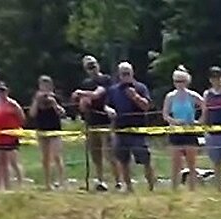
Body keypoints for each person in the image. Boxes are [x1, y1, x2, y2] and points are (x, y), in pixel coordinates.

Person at [105, 61, 156, 191]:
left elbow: (147, 106)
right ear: (119, 75)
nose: (126, 76)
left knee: (145, 160)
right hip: (120, 130)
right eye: (123, 74)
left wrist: (136, 97)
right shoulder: (113, 90)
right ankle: (129, 188)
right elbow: (107, 105)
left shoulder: (140, 88)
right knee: (123, 161)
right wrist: (108, 110)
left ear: (132, 73)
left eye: (128, 73)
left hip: (138, 131)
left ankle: (151, 187)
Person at [71, 55, 114, 191]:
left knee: (109, 153)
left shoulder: (105, 79)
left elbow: (97, 94)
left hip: (105, 121)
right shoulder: (86, 83)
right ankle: (100, 180)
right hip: (91, 121)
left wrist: (81, 93)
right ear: (85, 69)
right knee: (95, 154)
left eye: (93, 65)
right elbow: (84, 104)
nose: (92, 68)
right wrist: (80, 102)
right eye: (89, 67)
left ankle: (119, 180)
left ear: (98, 65)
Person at [162, 66, 204, 190]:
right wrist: (174, 121)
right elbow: (165, 114)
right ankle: (174, 189)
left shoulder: (192, 96)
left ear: (186, 82)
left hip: (190, 131)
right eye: (176, 81)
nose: (179, 84)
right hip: (175, 131)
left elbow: (205, 107)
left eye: (181, 81)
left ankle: (192, 189)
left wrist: (199, 122)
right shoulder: (170, 96)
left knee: (191, 164)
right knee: (176, 164)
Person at [30, 75, 68, 190]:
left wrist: (54, 104)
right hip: (42, 130)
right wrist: (36, 101)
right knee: (45, 157)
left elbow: (63, 113)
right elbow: (32, 114)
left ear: (51, 86)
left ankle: (61, 181)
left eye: (47, 85)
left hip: (55, 129)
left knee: (56, 155)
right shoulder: (37, 99)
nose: (45, 88)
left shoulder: (55, 97)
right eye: (42, 85)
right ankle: (47, 183)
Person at [0, 83, 25, 190]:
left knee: (13, 161)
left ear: (7, 92)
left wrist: (17, 130)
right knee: (0, 163)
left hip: (10, 137)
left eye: (3, 91)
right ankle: (2, 186)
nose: (1, 93)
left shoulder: (13, 104)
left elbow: (22, 117)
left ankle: (20, 183)